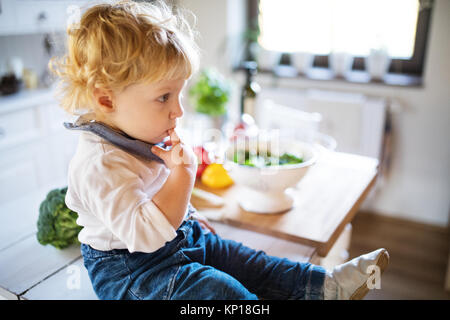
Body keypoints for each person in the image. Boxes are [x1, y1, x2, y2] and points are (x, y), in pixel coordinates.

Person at [49, 0, 389, 300]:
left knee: (246, 260)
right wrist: (184, 173)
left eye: (179, 94)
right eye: (164, 97)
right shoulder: (100, 164)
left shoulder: (137, 129)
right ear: (106, 98)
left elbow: (155, 189)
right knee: (217, 291)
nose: (178, 111)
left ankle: (324, 286)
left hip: (176, 238)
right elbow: (147, 234)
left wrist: (190, 213)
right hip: (134, 272)